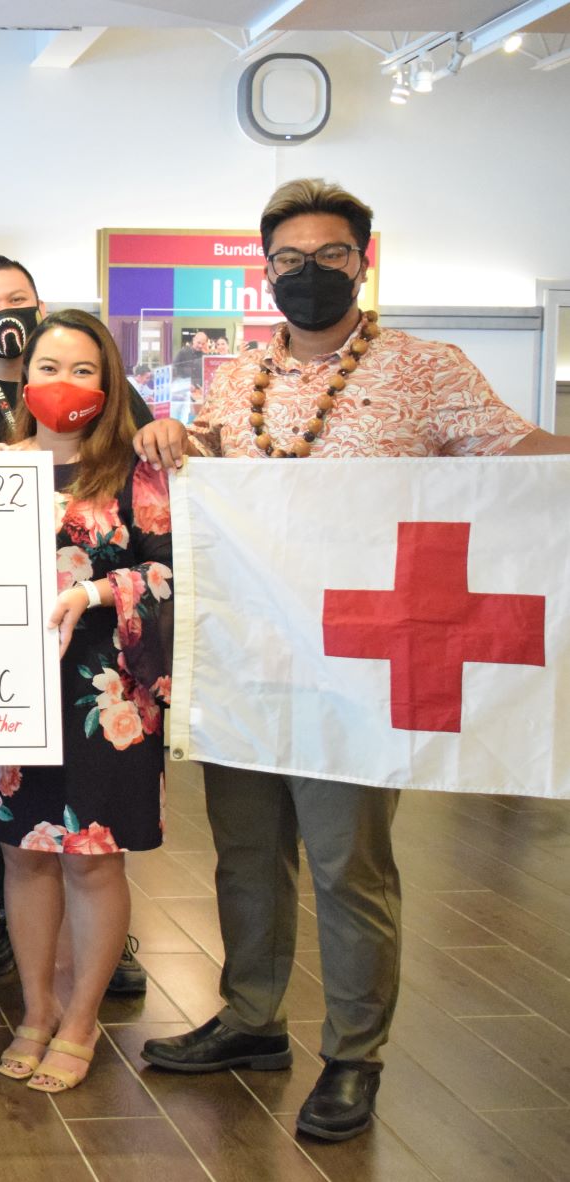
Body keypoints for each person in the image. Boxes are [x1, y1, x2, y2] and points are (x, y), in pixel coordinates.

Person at [133, 178, 570, 1142]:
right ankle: (251, 1020)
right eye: (287, 261)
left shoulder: (427, 368)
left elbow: (518, 457)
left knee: (347, 865)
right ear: (266, 272)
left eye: (328, 256)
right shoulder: (230, 378)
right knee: (246, 855)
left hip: (363, 671)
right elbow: (211, 480)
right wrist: (172, 435)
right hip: (249, 664)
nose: (307, 275)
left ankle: (352, 1055)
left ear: (360, 261)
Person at [0, 308, 172, 1095]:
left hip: (106, 694)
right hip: (9, 692)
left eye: (82, 370)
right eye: (48, 367)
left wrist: (93, 589)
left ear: (108, 381)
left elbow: (168, 577)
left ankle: (82, 1018)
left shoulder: (134, 467)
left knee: (92, 860)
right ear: (25, 378)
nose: (62, 383)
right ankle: (34, 1007)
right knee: (21, 855)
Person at [0, 255, 155, 450]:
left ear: (41, 310)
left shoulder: (98, 381)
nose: (4, 313)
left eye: (16, 299)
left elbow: (145, 440)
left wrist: (167, 432)